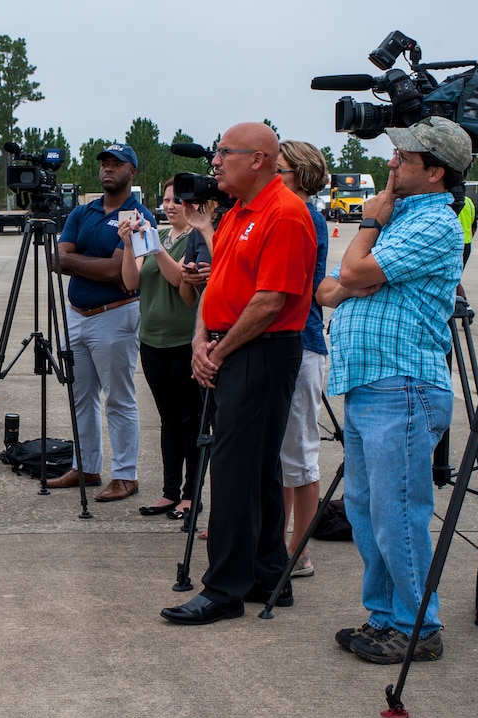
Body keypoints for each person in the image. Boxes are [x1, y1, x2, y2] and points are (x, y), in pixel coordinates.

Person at [316, 116, 470, 664]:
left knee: (397, 511)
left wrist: (367, 224)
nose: (391, 163)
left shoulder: (433, 224)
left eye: (403, 157)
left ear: (435, 172)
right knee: (363, 509)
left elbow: (351, 275)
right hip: (368, 384)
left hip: (401, 385)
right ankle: (385, 617)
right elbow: (334, 288)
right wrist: (355, 270)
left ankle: (417, 626)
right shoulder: (401, 217)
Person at [161, 122, 316, 625]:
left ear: (259, 159)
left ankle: (223, 589)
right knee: (256, 469)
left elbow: (271, 301)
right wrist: (201, 338)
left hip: (263, 351)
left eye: (225, 152)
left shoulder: (285, 214)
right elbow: (217, 282)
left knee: (231, 470)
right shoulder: (235, 215)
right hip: (231, 346)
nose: (215, 161)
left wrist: (219, 349)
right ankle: (267, 575)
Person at [44, 143, 155, 502]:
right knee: (80, 398)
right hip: (76, 317)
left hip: (115, 316)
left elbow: (117, 273)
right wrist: (98, 265)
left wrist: (79, 262)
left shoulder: (138, 216)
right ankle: (86, 466)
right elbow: (55, 259)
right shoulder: (83, 212)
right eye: (105, 163)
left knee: (119, 399)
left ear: (132, 172)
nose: (108, 169)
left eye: (116, 164)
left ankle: (125, 475)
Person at [118, 178, 203, 517]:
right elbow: (131, 282)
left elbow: (180, 281)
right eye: (166, 200)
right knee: (168, 420)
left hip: (184, 341)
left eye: (177, 201)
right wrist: (128, 245)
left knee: (191, 420)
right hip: (152, 341)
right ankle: (170, 491)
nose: (169, 206)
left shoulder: (195, 239)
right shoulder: (161, 237)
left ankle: (191, 495)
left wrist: (156, 248)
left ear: (192, 205)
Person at [275, 141, 330, 577]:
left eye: (281, 171)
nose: (274, 177)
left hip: (303, 344)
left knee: (299, 454)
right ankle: (280, 541)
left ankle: (299, 553)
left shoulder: (305, 216)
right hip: (291, 343)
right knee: (284, 456)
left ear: (302, 174)